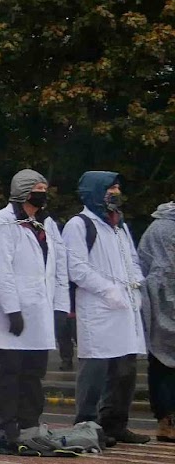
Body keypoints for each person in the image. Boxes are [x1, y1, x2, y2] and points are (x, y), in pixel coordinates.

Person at [0, 170, 70, 446]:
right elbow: (1, 269)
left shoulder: (47, 224)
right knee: (10, 372)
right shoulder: (0, 223)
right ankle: (5, 426)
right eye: (37, 188)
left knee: (34, 373)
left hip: (40, 311)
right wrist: (11, 309)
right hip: (13, 314)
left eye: (44, 188)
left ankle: (30, 424)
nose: (42, 193)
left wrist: (60, 307)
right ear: (22, 191)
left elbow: (59, 268)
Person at [64, 171, 148, 445]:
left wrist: (136, 283)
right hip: (98, 306)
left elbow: (132, 259)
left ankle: (115, 423)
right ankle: (87, 424)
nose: (116, 192)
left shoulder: (118, 224)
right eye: (111, 188)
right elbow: (77, 267)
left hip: (125, 305)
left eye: (117, 188)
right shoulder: (80, 224)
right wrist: (108, 290)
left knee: (125, 369)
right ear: (95, 191)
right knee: (96, 369)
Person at [137, 200, 175, 442]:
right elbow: (164, 268)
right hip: (163, 303)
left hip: (165, 300)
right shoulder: (164, 228)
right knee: (163, 365)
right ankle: (166, 419)